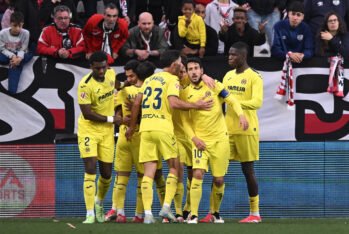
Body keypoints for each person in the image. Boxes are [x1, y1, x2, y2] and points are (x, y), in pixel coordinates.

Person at [125, 50, 213, 224]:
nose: (182, 65)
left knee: (148, 172)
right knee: (174, 167)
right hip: (163, 128)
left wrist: (132, 126)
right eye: (180, 63)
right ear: (174, 64)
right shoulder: (171, 79)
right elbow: (173, 102)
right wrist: (196, 105)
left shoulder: (149, 79)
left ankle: (148, 214)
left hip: (146, 129)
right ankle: (166, 207)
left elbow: (136, 103)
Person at [180, 57, 248, 224]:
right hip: (200, 142)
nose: (194, 71)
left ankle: (215, 212)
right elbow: (184, 120)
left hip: (220, 140)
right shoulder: (185, 92)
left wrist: (241, 115)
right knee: (197, 174)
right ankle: (194, 214)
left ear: (202, 71)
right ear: (187, 72)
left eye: (197, 68)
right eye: (190, 69)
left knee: (219, 179)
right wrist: (194, 138)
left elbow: (231, 99)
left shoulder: (214, 85)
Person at [104, 60, 167, 223]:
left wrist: (127, 116)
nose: (129, 79)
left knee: (128, 178)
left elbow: (119, 114)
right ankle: (127, 213)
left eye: (131, 76)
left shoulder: (127, 90)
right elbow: (119, 115)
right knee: (134, 177)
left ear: (138, 74)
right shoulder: (151, 89)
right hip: (136, 137)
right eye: (127, 76)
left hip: (132, 136)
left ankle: (126, 213)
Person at [223, 41, 263, 223]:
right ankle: (214, 212)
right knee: (219, 170)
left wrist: (235, 102)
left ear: (243, 56)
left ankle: (255, 213)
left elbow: (257, 102)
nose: (229, 57)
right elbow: (221, 100)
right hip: (226, 130)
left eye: (233, 55)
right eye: (229, 54)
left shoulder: (255, 77)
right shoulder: (228, 76)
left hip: (247, 130)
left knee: (248, 171)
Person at [77, 51, 118, 224]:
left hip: (107, 132)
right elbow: (87, 114)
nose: (101, 71)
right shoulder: (85, 85)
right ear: (91, 67)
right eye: (97, 68)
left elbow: (115, 84)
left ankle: (99, 202)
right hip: (89, 130)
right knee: (91, 168)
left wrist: (128, 84)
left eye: (103, 67)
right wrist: (113, 119)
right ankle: (89, 213)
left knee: (107, 174)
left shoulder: (111, 73)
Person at [0, 11, 32, 94]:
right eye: (15, 25)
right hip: (7, 53)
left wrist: (18, 59)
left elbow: (24, 48)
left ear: (23, 24)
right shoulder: (3, 33)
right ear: (10, 24)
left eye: (20, 26)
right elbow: (2, 49)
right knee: (2, 58)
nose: (17, 28)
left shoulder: (26, 33)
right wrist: (12, 56)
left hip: (20, 54)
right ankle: (12, 62)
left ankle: (15, 64)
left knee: (12, 90)